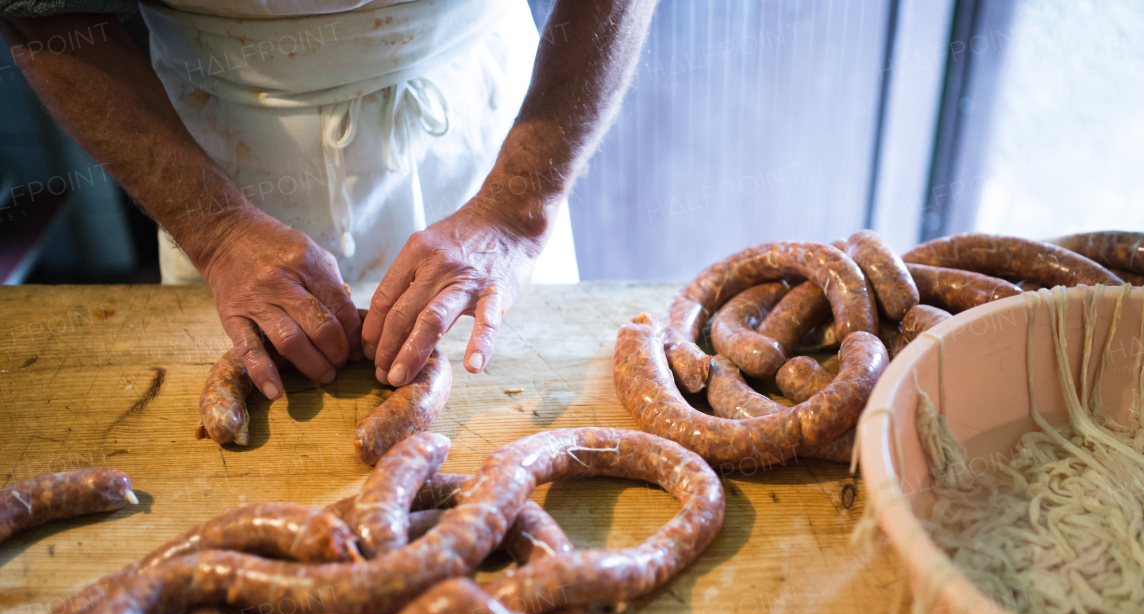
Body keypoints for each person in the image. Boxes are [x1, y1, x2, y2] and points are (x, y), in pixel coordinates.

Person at [0, 0, 657, 397]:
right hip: (215, 149)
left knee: (521, 387)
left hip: (488, 127)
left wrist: (518, 209)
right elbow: (45, 12)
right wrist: (217, 230)